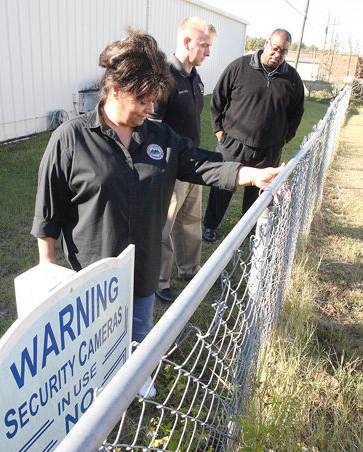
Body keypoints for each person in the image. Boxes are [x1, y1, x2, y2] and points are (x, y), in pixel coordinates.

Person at [31, 29, 283, 397]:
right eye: (143, 101)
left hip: (144, 263)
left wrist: (251, 174)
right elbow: (48, 208)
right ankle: (98, 389)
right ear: (115, 90)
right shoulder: (71, 139)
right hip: (93, 272)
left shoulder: (159, 138)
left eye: (154, 101)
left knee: (139, 329)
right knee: (94, 344)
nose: (151, 110)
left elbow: (200, 164)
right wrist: (48, 265)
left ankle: (138, 372)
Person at [203, 29, 304, 243]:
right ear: (267, 43)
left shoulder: (292, 79)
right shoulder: (239, 67)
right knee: (222, 187)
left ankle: (249, 232)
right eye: (275, 48)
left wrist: (284, 138)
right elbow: (218, 99)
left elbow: (296, 113)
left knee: (258, 193)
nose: (277, 54)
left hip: (268, 149)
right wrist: (219, 131)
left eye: (283, 52)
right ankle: (210, 226)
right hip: (233, 144)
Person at [150, 17, 216, 304]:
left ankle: (190, 271)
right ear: (187, 41)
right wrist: (161, 166)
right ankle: (159, 281)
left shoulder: (194, 77)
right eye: (204, 45)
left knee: (190, 222)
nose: (208, 52)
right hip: (169, 168)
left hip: (193, 166)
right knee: (164, 226)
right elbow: (152, 127)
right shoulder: (165, 79)